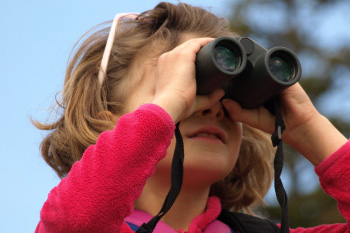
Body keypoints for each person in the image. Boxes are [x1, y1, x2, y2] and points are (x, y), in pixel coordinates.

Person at [34, 2, 350, 233]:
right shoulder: (84, 221)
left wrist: (308, 127)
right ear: (108, 124)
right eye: (183, 86)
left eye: (226, 94)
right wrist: (169, 105)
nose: (211, 106)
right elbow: (73, 223)